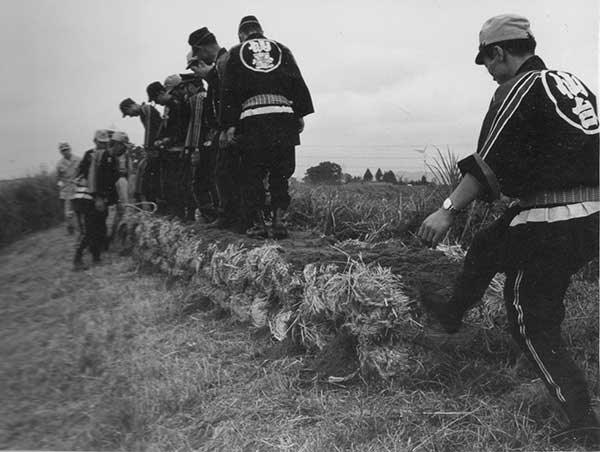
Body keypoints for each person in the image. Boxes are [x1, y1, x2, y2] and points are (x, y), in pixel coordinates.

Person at [417, 14, 599, 448]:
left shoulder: (518, 89)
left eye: (487, 62)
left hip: (552, 217)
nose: (488, 71)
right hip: (591, 211)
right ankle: (452, 313)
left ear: (498, 53)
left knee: (530, 319)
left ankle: (582, 419)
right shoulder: (568, 83)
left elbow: (489, 162)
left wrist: (447, 210)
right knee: (487, 243)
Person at [219, 15, 314, 238]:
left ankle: (259, 225)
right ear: (261, 30)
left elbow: (229, 89)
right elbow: (297, 81)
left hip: (253, 119)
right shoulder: (282, 49)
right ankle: (279, 222)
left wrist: (229, 124)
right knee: (280, 174)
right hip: (283, 116)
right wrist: (299, 113)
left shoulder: (235, 52)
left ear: (242, 35)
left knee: (252, 173)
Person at [188, 26, 242, 230]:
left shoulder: (224, 62)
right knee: (222, 173)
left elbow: (230, 97)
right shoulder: (220, 64)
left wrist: (228, 126)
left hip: (231, 128)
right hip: (225, 128)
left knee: (226, 173)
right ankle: (228, 217)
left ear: (201, 49)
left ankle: (230, 218)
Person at [72, 129, 119, 269]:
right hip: (88, 198)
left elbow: (109, 179)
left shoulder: (105, 156)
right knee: (90, 230)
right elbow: (90, 178)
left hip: (98, 198)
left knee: (99, 227)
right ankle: (77, 258)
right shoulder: (90, 156)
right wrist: (98, 198)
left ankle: (96, 257)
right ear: (95, 141)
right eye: (100, 142)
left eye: (105, 143)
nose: (103, 145)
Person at [184, 52, 216, 222]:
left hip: (203, 145)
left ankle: (209, 214)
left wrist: (195, 148)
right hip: (211, 143)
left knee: (201, 182)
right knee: (211, 179)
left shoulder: (197, 98)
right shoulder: (207, 95)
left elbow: (196, 124)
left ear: (192, 86)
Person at [119, 96, 162, 206]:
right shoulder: (145, 111)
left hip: (156, 149)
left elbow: (150, 132)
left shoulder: (146, 110)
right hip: (156, 147)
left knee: (146, 175)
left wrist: (148, 148)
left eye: (128, 113)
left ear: (131, 106)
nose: (130, 116)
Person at [55, 142, 80, 234]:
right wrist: (61, 188)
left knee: (80, 208)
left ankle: (82, 227)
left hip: (78, 186)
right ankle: (70, 228)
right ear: (61, 152)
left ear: (70, 149)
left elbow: (83, 172)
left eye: (66, 149)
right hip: (67, 189)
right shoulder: (59, 164)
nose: (65, 152)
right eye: (63, 150)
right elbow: (58, 179)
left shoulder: (78, 159)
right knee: (68, 211)